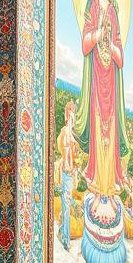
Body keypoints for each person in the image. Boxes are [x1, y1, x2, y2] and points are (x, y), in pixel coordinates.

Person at [74, 0, 130, 223]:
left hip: (112, 78)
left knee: (111, 131)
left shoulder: (116, 9)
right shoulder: (93, 3)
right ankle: (98, 190)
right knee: (99, 132)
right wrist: (99, 33)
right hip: (97, 79)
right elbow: (85, 42)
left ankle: (111, 190)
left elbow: (120, 46)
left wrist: (113, 43)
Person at [55, 99, 80, 249]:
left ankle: (63, 233)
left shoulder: (72, 133)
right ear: (67, 113)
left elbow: (73, 152)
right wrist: (68, 166)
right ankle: (65, 238)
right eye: (70, 110)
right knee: (66, 203)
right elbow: (65, 152)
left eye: (73, 111)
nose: (72, 114)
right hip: (66, 170)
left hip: (70, 171)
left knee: (67, 202)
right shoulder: (65, 131)